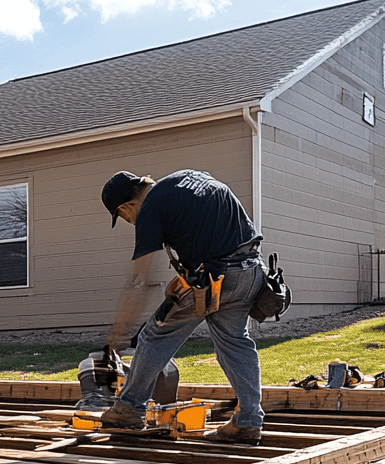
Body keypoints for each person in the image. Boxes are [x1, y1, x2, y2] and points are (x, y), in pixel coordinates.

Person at [99, 169, 266, 443]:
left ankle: (128, 410)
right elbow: (209, 229)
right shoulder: (189, 177)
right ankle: (248, 421)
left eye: (124, 217)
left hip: (218, 277)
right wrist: (186, 276)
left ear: (127, 205)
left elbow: (143, 280)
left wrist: (119, 331)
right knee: (235, 342)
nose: (130, 222)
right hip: (251, 271)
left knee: (155, 334)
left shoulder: (150, 208)